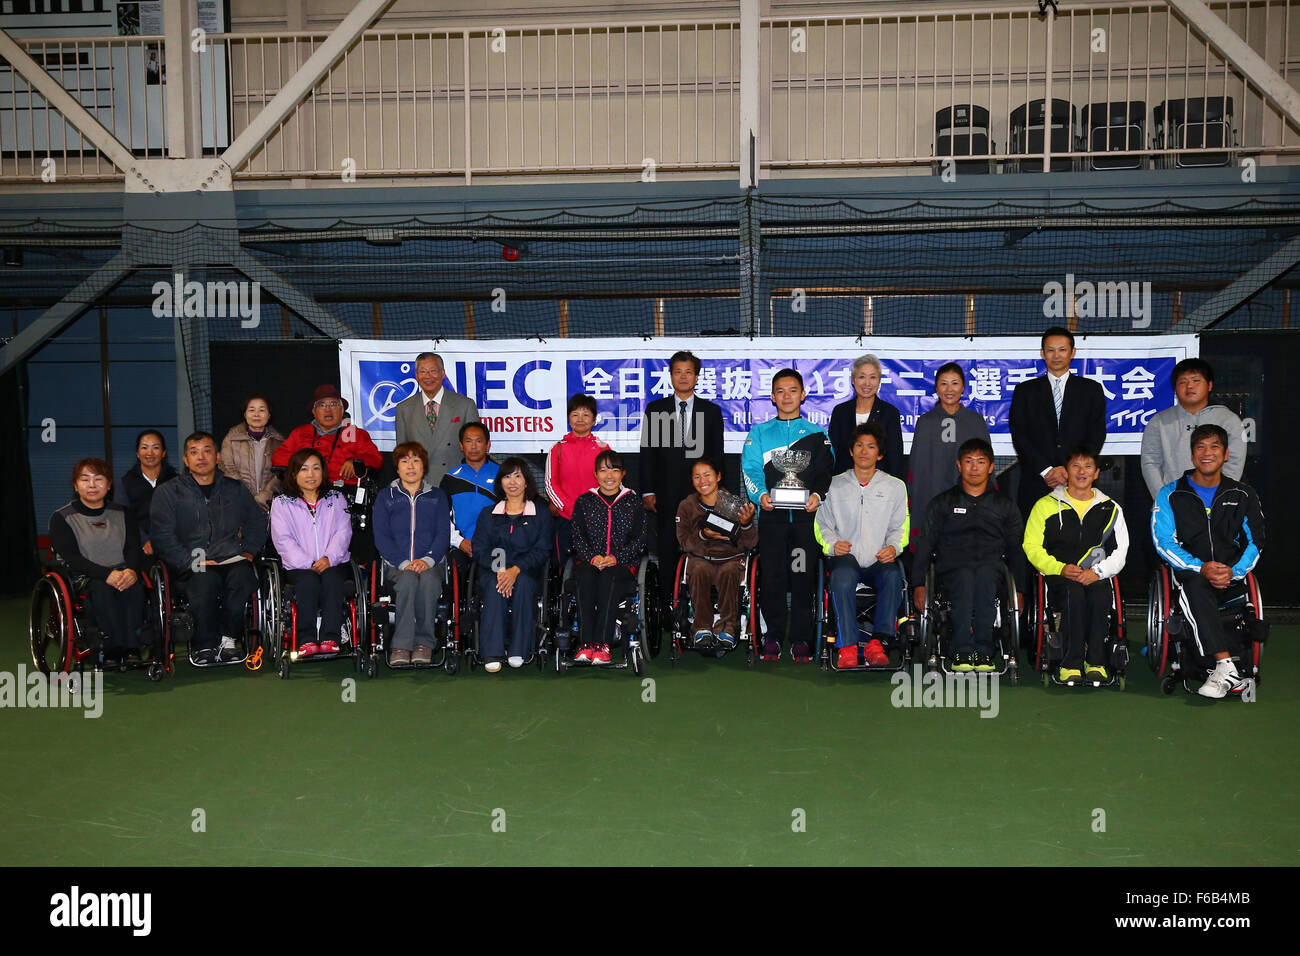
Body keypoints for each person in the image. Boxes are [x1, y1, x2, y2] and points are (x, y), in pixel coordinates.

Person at [1152, 424, 1264, 698]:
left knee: (1207, 585)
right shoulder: (1170, 494)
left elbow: (1256, 541)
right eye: (1200, 447)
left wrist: (1233, 571)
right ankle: (1224, 664)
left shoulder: (1243, 495)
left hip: (1231, 576)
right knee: (1196, 585)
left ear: (1225, 455)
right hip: (1190, 573)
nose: (1207, 453)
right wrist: (1201, 567)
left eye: (1214, 447)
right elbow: (1163, 541)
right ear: (1192, 456)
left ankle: (1224, 669)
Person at [742, 368, 835, 662]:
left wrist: (818, 496)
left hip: (806, 522)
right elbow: (751, 469)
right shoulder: (758, 433)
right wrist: (761, 496)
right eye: (780, 391)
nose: (786, 396)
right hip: (772, 520)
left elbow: (825, 472)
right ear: (772, 397)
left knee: (802, 578)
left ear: (803, 395)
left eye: (792, 390)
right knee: (772, 579)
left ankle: (801, 639)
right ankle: (772, 637)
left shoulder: (818, 434)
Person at [150, 432, 268, 664]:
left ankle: (229, 639)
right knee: (204, 582)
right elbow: (162, 535)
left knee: (243, 579)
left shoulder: (235, 488)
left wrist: (249, 551)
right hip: (192, 560)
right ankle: (205, 644)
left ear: (217, 456)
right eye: (194, 452)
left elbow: (256, 522)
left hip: (231, 556)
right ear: (185, 460)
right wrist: (190, 561)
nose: (201, 457)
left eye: (206, 451)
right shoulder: (168, 492)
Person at [913, 438, 1025, 672]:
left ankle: (983, 652)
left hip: (991, 567)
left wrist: (1020, 590)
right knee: (964, 577)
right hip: (951, 568)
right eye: (969, 462)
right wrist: (918, 584)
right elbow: (924, 544)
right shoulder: (942, 503)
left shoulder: (1005, 505)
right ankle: (962, 651)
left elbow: (1016, 549)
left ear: (991, 467)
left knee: (984, 576)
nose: (974, 468)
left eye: (981, 462)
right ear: (959, 465)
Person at [1023, 445, 1129, 683]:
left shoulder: (1111, 508)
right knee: (1073, 594)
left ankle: (1096, 662)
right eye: (1076, 466)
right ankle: (1070, 664)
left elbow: (1121, 551)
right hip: (1059, 576)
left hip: (1096, 575)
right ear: (1066, 472)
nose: (1082, 472)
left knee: (1100, 595)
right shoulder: (1045, 505)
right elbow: (1031, 546)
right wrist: (1059, 568)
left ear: (1096, 473)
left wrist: (1098, 572)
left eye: (1088, 466)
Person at [815, 423, 909, 669]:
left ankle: (877, 643)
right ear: (850, 451)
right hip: (846, 558)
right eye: (859, 445)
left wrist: (894, 547)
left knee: (893, 576)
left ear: (880, 454)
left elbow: (901, 526)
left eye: (870, 446)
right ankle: (846, 647)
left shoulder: (895, 487)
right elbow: (822, 524)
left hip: (879, 559)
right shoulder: (833, 485)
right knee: (842, 576)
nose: (864, 451)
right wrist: (832, 544)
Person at [50, 458, 146, 662]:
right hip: (86, 577)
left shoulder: (122, 513)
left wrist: (131, 571)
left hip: (122, 571)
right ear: (76, 486)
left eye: (98, 479)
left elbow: (133, 547)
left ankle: (132, 648)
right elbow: (71, 557)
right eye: (85, 479)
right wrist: (106, 574)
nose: (92, 485)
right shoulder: (62, 518)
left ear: (109, 485)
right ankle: (112, 647)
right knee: (101, 588)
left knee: (135, 587)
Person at [640, 350, 726, 575]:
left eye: (689, 372)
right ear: (671, 376)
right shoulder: (655, 409)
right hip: (665, 495)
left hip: (700, 496)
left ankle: (698, 606)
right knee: (667, 552)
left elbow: (717, 455)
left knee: (701, 551)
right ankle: (669, 605)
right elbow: (648, 453)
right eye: (678, 372)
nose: (683, 377)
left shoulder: (712, 411)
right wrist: (647, 491)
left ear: (697, 377)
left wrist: (715, 494)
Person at [1009, 327, 1108, 518]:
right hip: (1037, 482)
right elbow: (1020, 435)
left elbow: (1096, 435)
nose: (1056, 355)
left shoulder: (1091, 390)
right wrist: (1047, 471)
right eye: (1050, 350)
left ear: (1072, 353)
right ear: (1042, 353)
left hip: (1079, 482)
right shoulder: (1025, 391)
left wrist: (1072, 470)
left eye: (1062, 350)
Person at [471, 456, 554, 673]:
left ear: (527, 481)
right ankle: (492, 652)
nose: (513, 482)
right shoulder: (488, 514)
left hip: (526, 571)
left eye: (518, 476)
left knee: (525, 585)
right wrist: (501, 570)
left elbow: (542, 550)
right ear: (500, 483)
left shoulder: (541, 514)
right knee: (494, 587)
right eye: (507, 476)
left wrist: (515, 570)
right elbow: (480, 549)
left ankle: (519, 650)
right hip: (494, 571)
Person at [372, 442, 450, 666]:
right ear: (397, 468)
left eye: (416, 460)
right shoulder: (386, 496)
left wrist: (427, 560)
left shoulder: (437, 496)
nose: (410, 466)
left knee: (429, 583)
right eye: (404, 461)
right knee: (407, 581)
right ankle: (401, 645)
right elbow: (382, 537)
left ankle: (424, 642)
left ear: (424, 466)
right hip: (397, 565)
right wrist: (404, 562)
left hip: (431, 564)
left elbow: (443, 533)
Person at [270, 449, 353, 658]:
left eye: (316, 468)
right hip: (299, 566)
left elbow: (343, 532)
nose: (310, 474)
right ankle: (306, 639)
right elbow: (283, 540)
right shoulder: (281, 503)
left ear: (323, 472)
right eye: (304, 469)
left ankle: (331, 637)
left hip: (333, 563)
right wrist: (310, 562)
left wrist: (329, 558)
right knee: (308, 583)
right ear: (293, 474)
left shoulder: (336, 498)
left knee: (333, 581)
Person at [569, 450, 649, 665]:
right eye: (603, 470)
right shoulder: (584, 501)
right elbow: (577, 536)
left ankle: (602, 644)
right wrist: (592, 557)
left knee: (608, 578)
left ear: (623, 474)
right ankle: (586, 644)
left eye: (614, 470)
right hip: (590, 562)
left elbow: (640, 539)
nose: (609, 475)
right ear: (595, 474)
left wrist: (616, 557)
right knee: (585, 576)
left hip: (621, 565)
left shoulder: (633, 502)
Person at [908, 362, 992, 558]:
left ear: (963, 387)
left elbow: (986, 464)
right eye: (943, 384)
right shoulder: (926, 422)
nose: (949, 389)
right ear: (936, 388)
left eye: (954, 383)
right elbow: (917, 467)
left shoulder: (975, 421)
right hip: (932, 499)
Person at [675, 456, 758, 651]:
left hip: (730, 558)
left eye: (707, 475)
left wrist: (745, 525)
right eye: (697, 477)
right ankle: (701, 628)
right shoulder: (687, 506)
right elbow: (683, 541)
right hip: (701, 558)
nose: (702, 481)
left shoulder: (735, 505)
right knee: (698, 570)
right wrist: (703, 534)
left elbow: (751, 542)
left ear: (718, 476)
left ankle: (728, 627)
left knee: (729, 571)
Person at [1140, 357, 1246, 499]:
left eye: (1196, 381)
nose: (1189, 386)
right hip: (1172, 502)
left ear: (1209, 385)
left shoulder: (1229, 420)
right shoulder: (1159, 422)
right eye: (1183, 382)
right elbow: (1151, 462)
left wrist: (1220, 497)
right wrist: (1164, 499)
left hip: (1216, 504)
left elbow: (1234, 462)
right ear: (1175, 389)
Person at [394, 351, 482, 488]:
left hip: (457, 482)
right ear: (416, 376)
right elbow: (402, 454)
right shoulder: (403, 409)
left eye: (433, 371)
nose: (428, 376)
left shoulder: (465, 405)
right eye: (422, 372)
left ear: (443, 373)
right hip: (419, 485)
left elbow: (475, 450)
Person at [272, 384, 383, 486]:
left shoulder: (355, 434)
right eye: (322, 405)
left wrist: (356, 462)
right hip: (305, 490)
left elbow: (375, 459)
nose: (328, 409)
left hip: (343, 492)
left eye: (333, 404)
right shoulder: (300, 433)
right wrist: (304, 465)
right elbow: (279, 457)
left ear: (342, 410)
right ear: (314, 412)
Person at [545, 393, 610, 562]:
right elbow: (551, 484)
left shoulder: (603, 449)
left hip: (597, 520)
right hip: (567, 519)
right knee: (565, 567)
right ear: (568, 418)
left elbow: (611, 483)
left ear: (594, 419)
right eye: (575, 414)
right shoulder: (558, 448)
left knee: (595, 566)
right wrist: (571, 510)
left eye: (586, 414)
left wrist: (595, 511)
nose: (580, 419)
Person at [440, 421, 499, 589]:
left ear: (488, 445)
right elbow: (443, 518)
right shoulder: (450, 479)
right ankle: (454, 615)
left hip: (495, 546)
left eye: (479, 441)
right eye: (468, 441)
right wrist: (460, 542)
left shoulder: (504, 475)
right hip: (461, 546)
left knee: (497, 578)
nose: (473, 446)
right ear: (461, 445)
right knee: (451, 573)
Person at [828, 353, 905, 477]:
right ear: (853, 380)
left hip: (880, 485)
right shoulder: (840, 412)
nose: (867, 383)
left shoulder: (890, 413)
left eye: (873, 377)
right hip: (844, 484)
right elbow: (832, 454)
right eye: (862, 377)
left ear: (879, 381)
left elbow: (895, 457)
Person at [114, 429, 178, 557]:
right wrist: (144, 541)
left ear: (163, 453)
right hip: (138, 544)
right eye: (144, 448)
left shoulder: (177, 481)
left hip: (174, 543)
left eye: (155, 447)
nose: (150, 453)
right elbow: (122, 517)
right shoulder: (125, 483)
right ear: (137, 453)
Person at [220, 392, 285, 511]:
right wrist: (247, 498)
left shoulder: (279, 442)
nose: (256, 414)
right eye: (251, 410)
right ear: (244, 414)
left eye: (261, 410)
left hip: (268, 505)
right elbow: (227, 469)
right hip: (237, 504)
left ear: (269, 414)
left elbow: (281, 474)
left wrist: (266, 493)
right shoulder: (231, 439)